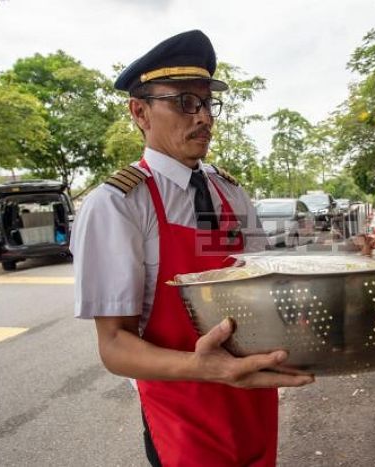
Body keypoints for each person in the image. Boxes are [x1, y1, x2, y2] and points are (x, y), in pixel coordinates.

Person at [70, 30, 314, 467]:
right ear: (139, 111)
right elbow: (114, 346)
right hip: (182, 409)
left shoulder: (228, 192)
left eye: (207, 103)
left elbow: (257, 275)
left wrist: (340, 253)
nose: (203, 117)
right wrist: (205, 368)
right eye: (185, 102)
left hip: (254, 398)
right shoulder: (119, 204)